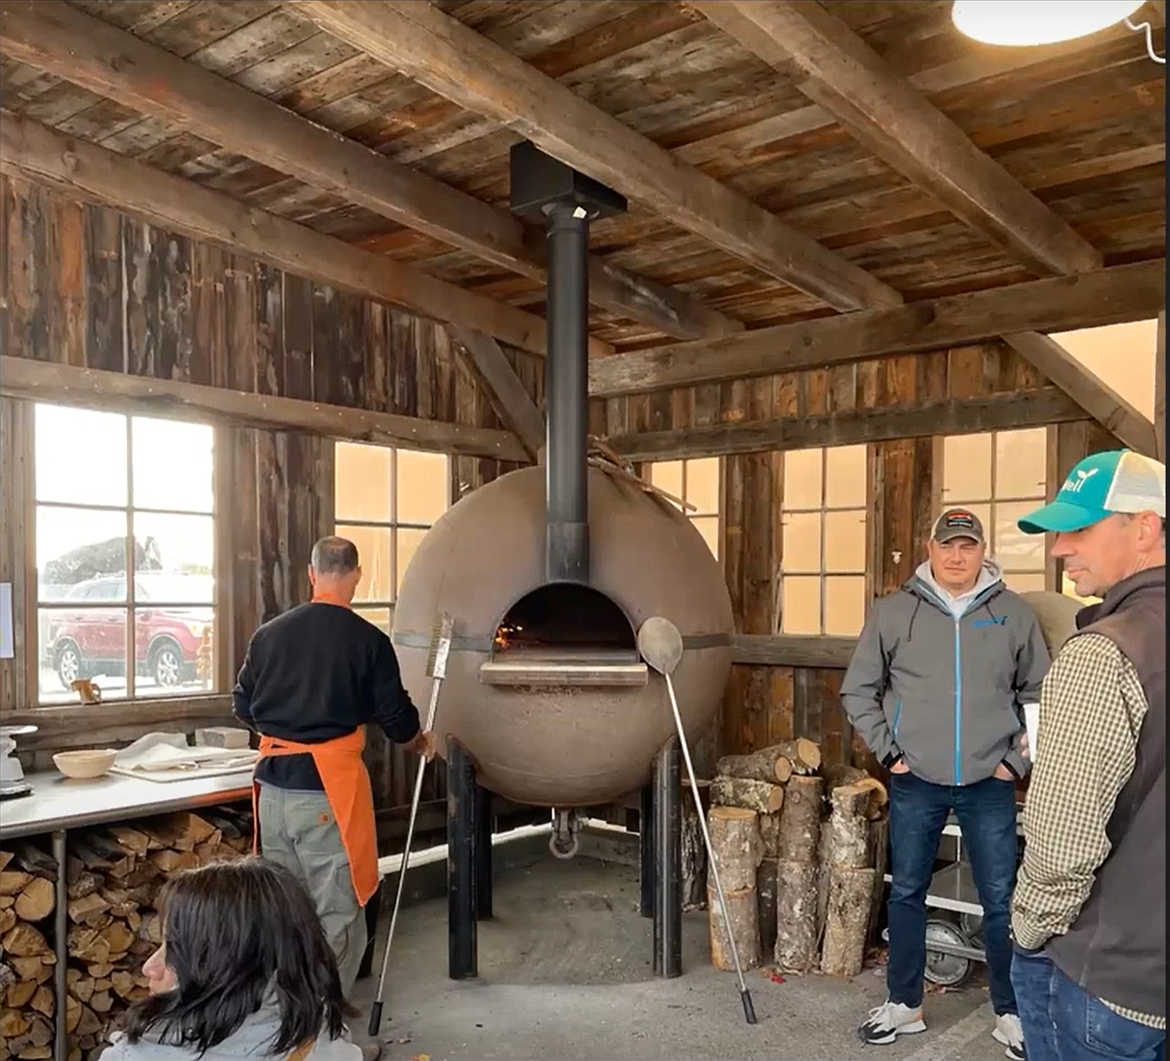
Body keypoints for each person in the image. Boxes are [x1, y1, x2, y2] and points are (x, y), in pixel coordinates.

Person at [841, 508, 1050, 1060]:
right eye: (947, 545)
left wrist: (1015, 764)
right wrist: (890, 752)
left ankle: (1010, 1012)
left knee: (1002, 900)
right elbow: (858, 690)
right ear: (928, 547)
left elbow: (1041, 697)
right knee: (907, 890)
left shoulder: (1013, 614)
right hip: (918, 780)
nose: (957, 556)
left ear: (983, 552)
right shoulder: (893, 612)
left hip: (990, 782)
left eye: (968, 546)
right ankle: (904, 1004)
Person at [1009, 450, 1165, 1061]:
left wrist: (1027, 929)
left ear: (1144, 527)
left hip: (1107, 973)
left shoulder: (1099, 654)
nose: (1058, 548)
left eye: (1079, 528)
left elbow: (1062, 843)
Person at [233, 537, 433, 1006]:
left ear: (312, 572)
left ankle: (286, 1024)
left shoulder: (269, 634)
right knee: (338, 915)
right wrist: (422, 742)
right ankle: (324, 1035)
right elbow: (398, 719)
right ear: (357, 575)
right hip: (325, 795)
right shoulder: (368, 640)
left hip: (272, 790)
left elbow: (241, 704)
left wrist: (284, 733)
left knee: (284, 911)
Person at [102, 858, 362, 1060]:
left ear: (227, 967)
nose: (149, 968)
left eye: (175, 949)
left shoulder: (135, 1056)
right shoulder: (324, 1038)